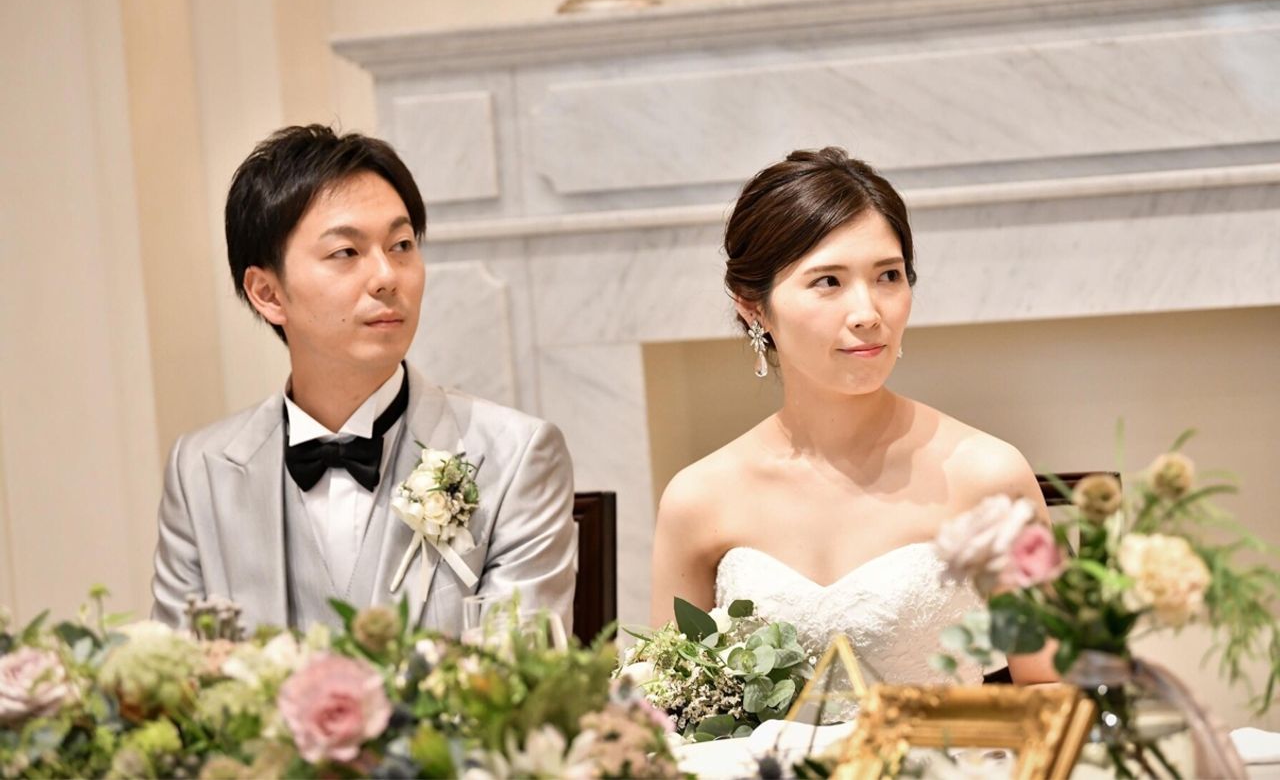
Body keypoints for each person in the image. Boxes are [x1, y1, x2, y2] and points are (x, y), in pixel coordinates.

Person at [649, 147, 1056, 685]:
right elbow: (665, 706)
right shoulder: (698, 499)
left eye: (888, 275)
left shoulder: (986, 474)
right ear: (753, 305)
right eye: (828, 282)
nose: (867, 313)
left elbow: (1057, 689)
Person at [151, 125, 576, 634]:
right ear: (267, 293)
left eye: (401, 245)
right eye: (346, 253)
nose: (387, 277)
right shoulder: (200, 471)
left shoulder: (515, 457)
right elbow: (177, 671)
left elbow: (518, 670)